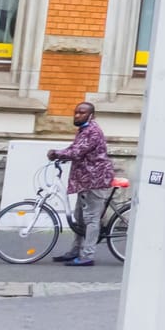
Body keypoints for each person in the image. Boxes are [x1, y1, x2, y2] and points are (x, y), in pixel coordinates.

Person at [46, 102, 114, 266]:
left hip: (95, 179)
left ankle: (87, 255)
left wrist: (56, 154)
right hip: (85, 180)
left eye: (82, 113)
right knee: (80, 218)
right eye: (76, 112)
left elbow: (77, 152)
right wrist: (62, 155)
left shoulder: (92, 131)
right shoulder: (83, 130)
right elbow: (75, 148)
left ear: (92, 115)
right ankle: (75, 251)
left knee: (91, 218)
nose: (77, 115)